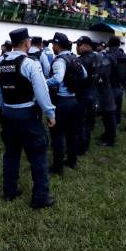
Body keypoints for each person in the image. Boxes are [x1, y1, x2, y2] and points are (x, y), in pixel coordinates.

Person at [0, 28, 56, 209]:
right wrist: (50, 113)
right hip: (28, 116)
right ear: (27, 43)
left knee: (11, 154)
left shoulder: (1, 62)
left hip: (9, 115)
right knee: (37, 155)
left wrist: (5, 110)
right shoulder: (30, 63)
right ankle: (40, 197)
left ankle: (9, 191)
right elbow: (41, 91)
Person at [47, 32, 86, 173]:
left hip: (62, 101)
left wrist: (44, 82)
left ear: (57, 45)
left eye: (53, 44)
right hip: (74, 100)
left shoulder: (59, 60)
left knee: (57, 134)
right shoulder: (75, 58)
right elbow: (85, 75)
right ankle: (72, 161)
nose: (52, 46)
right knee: (71, 133)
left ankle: (57, 167)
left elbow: (57, 79)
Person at [76, 36, 116, 149]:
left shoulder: (83, 60)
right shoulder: (103, 57)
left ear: (87, 46)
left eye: (79, 45)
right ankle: (108, 138)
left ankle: (83, 146)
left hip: (90, 93)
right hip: (104, 91)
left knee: (85, 121)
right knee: (107, 116)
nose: (76, 48)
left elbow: (79, 79)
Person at [105, 36, 126, 126]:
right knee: (118, 105)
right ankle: (117, 121)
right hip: (120, 85)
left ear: (109, 44)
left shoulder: (108, 56)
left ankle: (110, 126)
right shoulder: (124, 55)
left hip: (110, 85)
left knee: (109, 108)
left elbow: (105, 71)